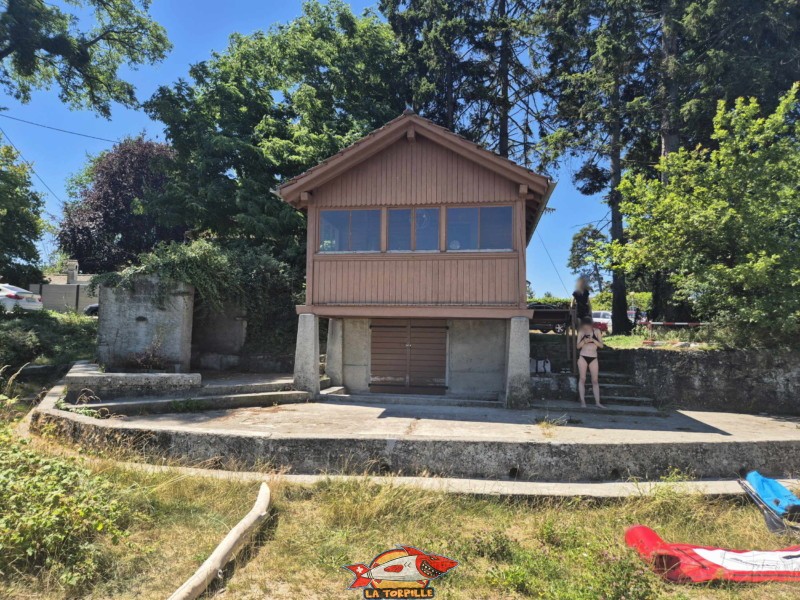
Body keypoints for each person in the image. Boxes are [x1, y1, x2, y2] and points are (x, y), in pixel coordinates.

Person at [576, 316, 605, 408]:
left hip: (593, 357)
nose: (586, 328)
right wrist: (584, 341)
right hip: (583, 356)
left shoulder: (596, 331)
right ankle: (583, 402)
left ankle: (597, 402)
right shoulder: (581, 332)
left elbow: (601, 345)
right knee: (582, 379)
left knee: (595, 380)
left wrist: (593, 340)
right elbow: (577, 346)